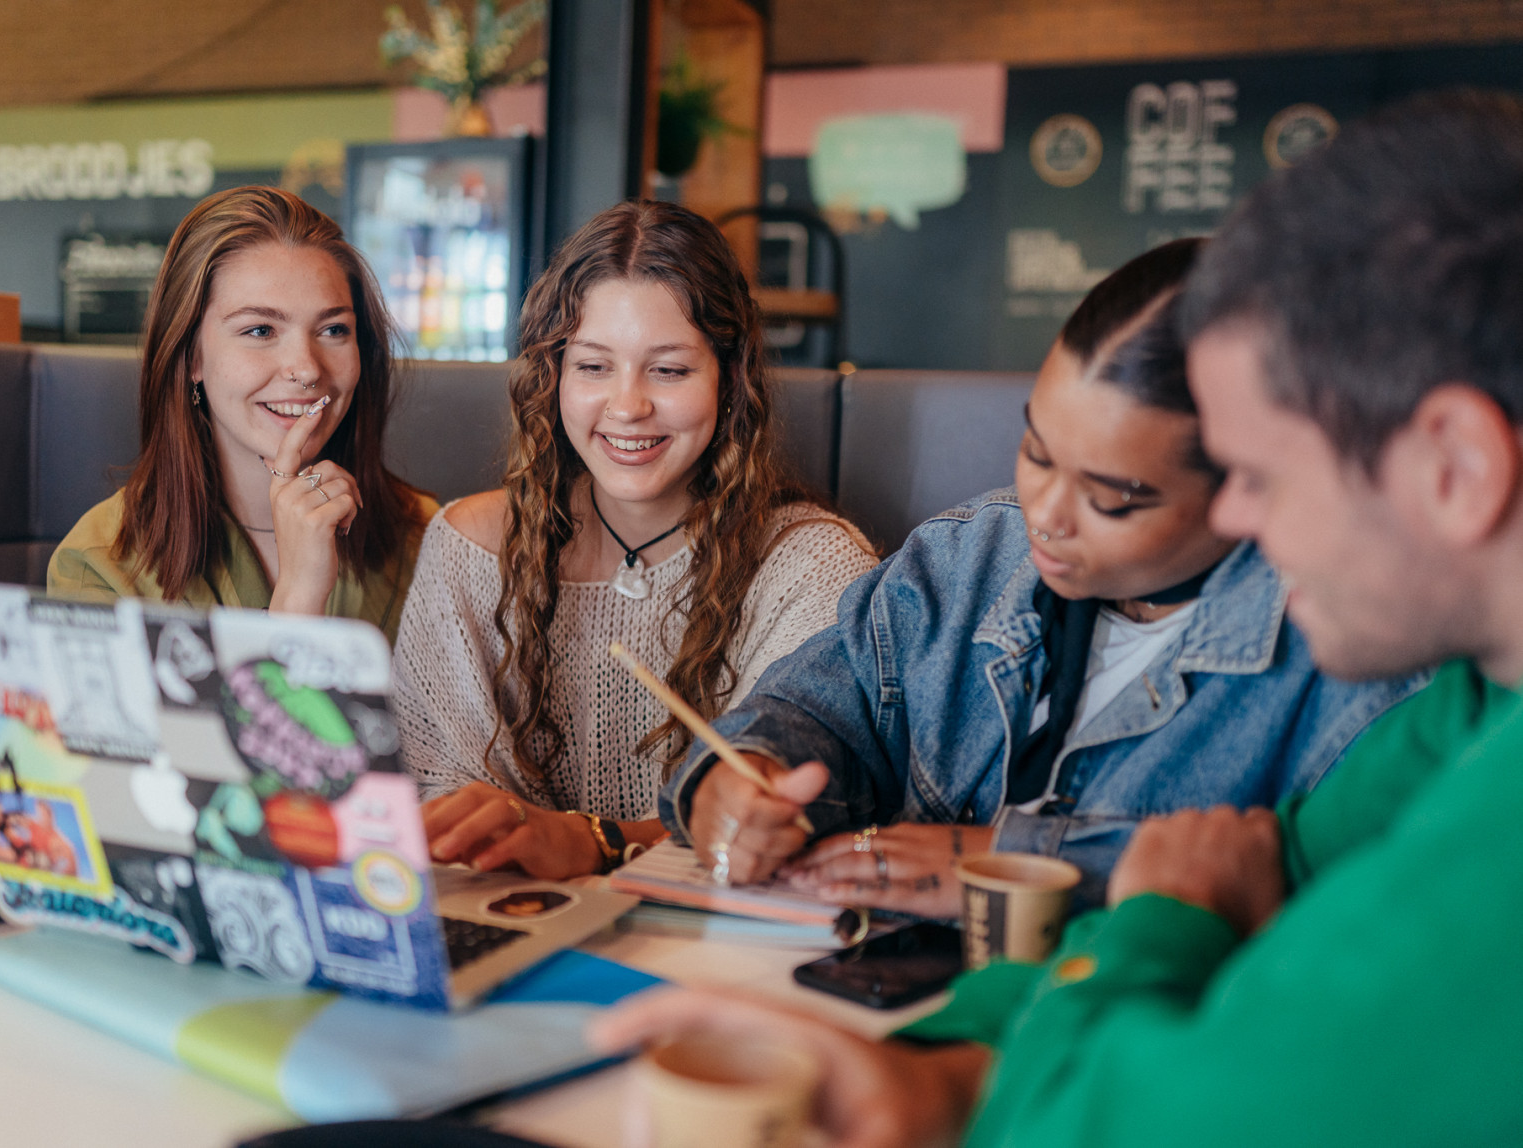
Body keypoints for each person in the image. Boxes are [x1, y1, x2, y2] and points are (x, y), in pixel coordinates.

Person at [595, 89, 1523, 1148]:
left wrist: (1155, 921)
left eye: (1263, 474)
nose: (1238, 517)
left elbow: (1129, 1112)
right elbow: (1276, 892)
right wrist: (937, 1077)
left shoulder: (1444, 753)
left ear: (1456, 466)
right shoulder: (1465, 713)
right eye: (1034, 450)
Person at [659, 238, 1418, 915]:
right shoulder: (973, 555)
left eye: (1110, 495)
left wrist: (1024, 867)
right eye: (1037, 452)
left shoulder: (1351, 659)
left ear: (1246, 488)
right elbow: (824, 702)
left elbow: (1347, 901)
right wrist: (742, 779)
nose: (1044, 514)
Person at [389, 200, 878, 880]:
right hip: (505, 933)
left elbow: (783, 826)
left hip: (713, 947)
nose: (627, 407)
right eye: (593, 367)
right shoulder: (472, 548)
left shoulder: (812, 565)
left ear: (729, 379)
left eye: (669, 370)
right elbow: (438, 796)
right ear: (552, 375)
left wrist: (591, 842)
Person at [48, 186, 434, 638]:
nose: (307, 369)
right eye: (260, 329)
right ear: (191, 356)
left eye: (333, 329)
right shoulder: (99, 564)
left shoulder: (428, 536)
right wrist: (297, 601)